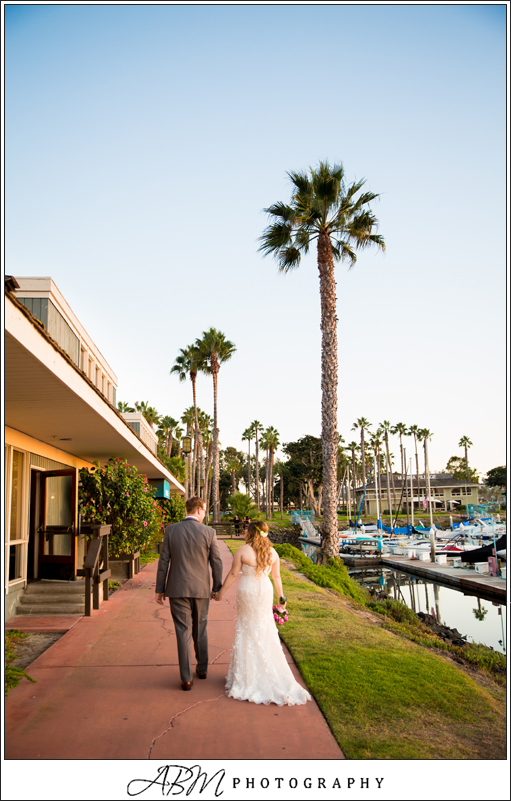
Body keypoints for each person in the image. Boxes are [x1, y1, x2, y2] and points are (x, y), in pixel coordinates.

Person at [215, 521, 311, 706]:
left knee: (246, 628)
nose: (243, 531)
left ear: (251, 533)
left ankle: (246, 677)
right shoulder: (272, 553)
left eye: (246, 529)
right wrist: (281, 600)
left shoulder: (243, 551)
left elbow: (234, 574)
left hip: (248, 591)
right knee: (265, 628)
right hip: (265, 591)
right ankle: (267, 672)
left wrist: (220, 593)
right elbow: (276, 577)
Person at [155, 496, 223, 691]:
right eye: (204, 511)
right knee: (200, 628)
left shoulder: (171, 530)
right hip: (200, 589)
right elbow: (216, 562)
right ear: (199, 510)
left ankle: (186, 679)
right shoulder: (209, 532)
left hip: (177, 588)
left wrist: (160, 589)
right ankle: (202, 670)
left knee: (183, 631)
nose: (205, 514)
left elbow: (163, 561)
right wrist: (216, 587)